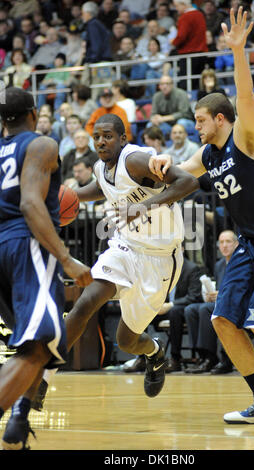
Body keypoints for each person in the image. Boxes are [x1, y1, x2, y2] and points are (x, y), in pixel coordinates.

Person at [149, 7, 254, 424]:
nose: (195, 126)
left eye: (200, 120)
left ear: (220, 118)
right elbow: (179, 172)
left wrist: (237, 51)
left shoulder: (247, 137)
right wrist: (156, 165)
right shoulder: (208, 153)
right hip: (250, 244)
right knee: (222, 321)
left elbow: (245, 98)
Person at [32, 113, 199, 411]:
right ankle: (43, 378)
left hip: (159, 259)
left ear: (123, 138)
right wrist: (68, 199)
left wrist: (142, 207)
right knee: (85, 303)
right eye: (96, 136)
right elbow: (105, 189)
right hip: (124, 247)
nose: (100, 141)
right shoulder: (100, 166)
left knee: (127, 341)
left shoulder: (135, 159)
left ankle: (155, 352)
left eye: (107, 135)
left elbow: (188, 182)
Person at [0, 87, 92, 450]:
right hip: (27, 247)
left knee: (43, 345)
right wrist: (66, 258)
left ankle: (16, 429)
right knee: (38, 347)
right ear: (34, 115)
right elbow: (29, 204)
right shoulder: (41, 145)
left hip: (4, 250)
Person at [184, 230, 238, 374]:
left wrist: (220, 295)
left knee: (205, 309)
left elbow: (245, 289)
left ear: (236, 244)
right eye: (221, 242)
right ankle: (202, 356)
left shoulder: (242, 263)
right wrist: (212, 295)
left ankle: (212, 357)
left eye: (228, 242)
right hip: (221, 303)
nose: (224, 245)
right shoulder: (219, 264)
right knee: (191, 309)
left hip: (237, 305)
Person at [171, 0, 208, 89]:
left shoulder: (185, 17)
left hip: (188, 54)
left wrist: (173, 42)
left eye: (177, 6)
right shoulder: (200, 14)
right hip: (202, 53)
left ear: (183, 4)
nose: (176, 9)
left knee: (187, 82)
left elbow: (181, 36)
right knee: (198, 82)